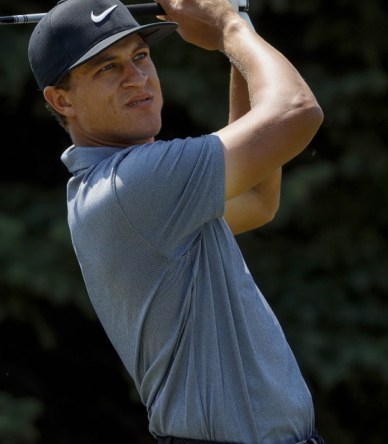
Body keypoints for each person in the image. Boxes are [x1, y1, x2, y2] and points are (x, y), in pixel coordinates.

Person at [27, 0, 325, 443]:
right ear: (61, 100)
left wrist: (238, 21)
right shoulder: (135, 184)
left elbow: (257, 198)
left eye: (140, 56)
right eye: (107, 67)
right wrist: (228, 27)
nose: (137, 78)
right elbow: (297, 112)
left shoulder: (121, 188)